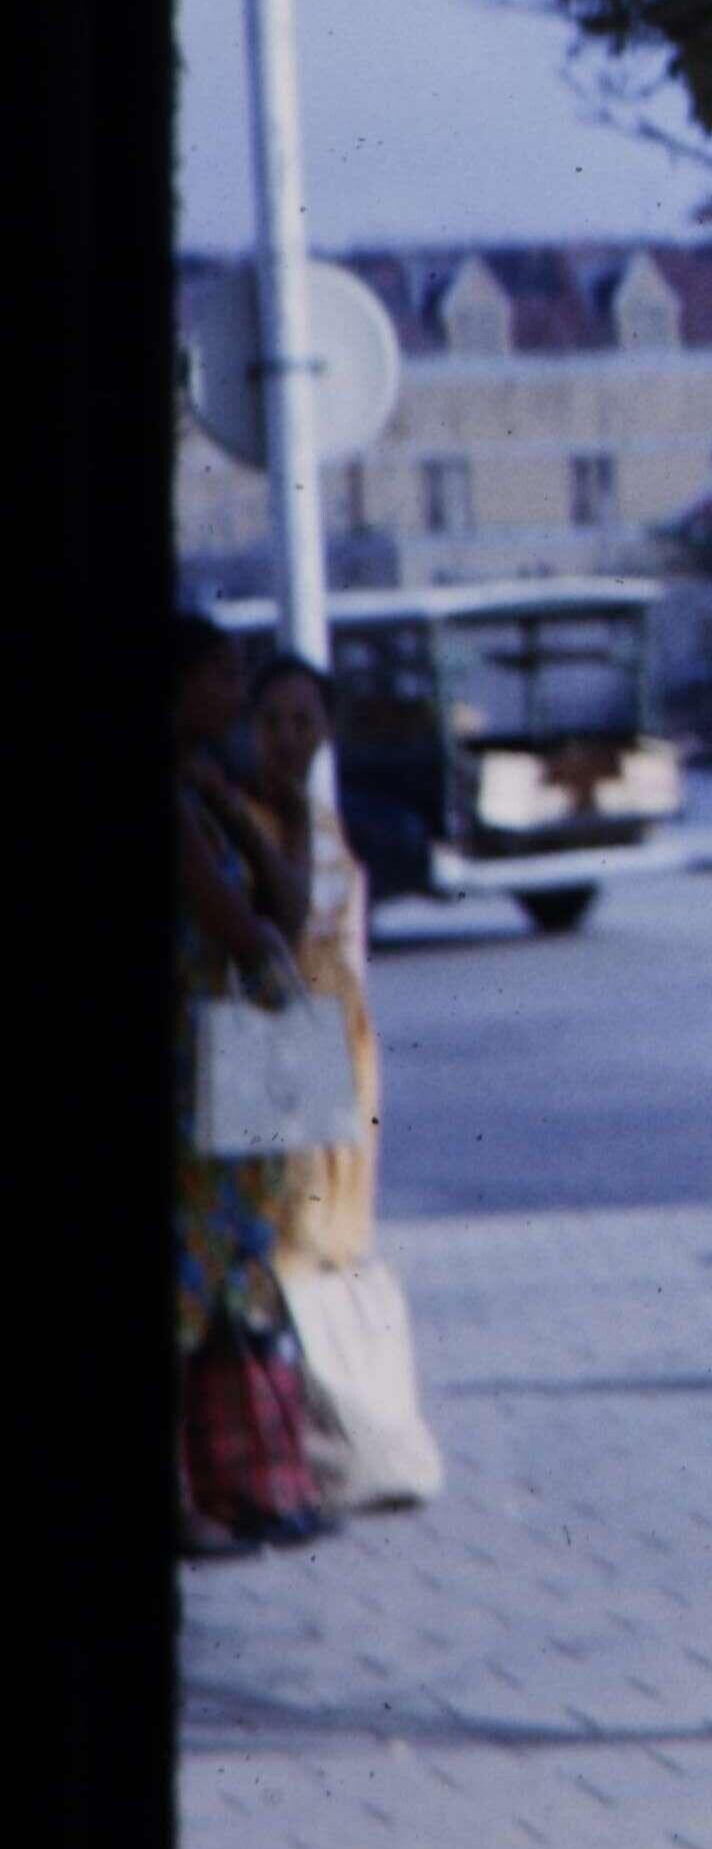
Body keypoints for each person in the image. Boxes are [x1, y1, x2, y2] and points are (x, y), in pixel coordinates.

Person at [230, 647, 446, 1516]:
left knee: (334, 1230)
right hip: (267, 1037)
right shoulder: (243, 816)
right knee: (279, 1234)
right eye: (273, 721)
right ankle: (282, 1444)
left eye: (305, 721)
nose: (289, 737)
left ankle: (335, 1435)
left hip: (338, 1040)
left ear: (328, 730)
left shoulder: (322, 819)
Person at [174, 614, 330, 1555]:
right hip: (193, 1058)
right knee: (184, 1280)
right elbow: (243, 925)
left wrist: (246, 809)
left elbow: (287, 905)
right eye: (225, 677)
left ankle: (235, 1480)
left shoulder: (208, 794)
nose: (238, 696)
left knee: (228, 1264)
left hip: (225, 1055)